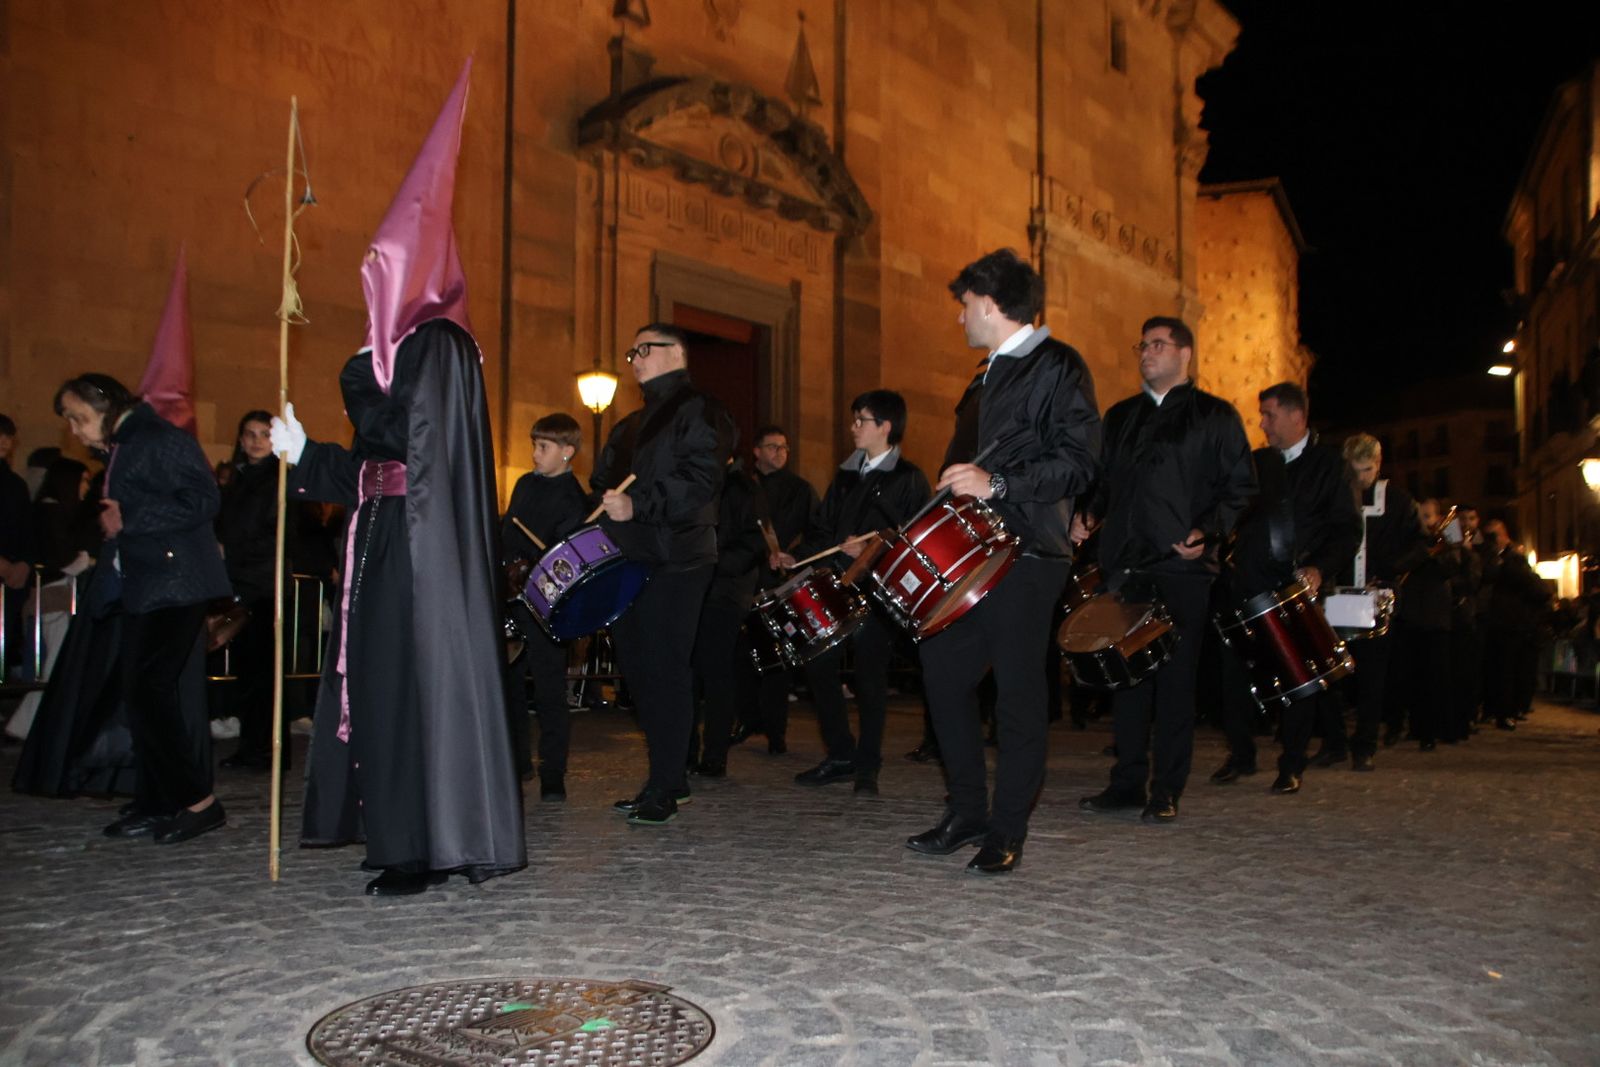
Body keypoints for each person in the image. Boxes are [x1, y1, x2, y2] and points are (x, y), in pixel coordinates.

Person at [271, 60, 525, 896]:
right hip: (385, 538)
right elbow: (381, 460)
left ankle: (422, 844)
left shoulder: (441, 347)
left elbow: (409, 448)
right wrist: (304, 451)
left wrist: (351, 388)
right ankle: (396, 829)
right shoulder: (402, 349)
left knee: (412, 686)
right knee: (377, 685)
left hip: (424, 554)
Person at [905, 248, 1101, 875]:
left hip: (1027, 550)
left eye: (964, 305)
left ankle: (1006, 829)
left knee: (1018, 691)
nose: (960, 317)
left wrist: (1000, 485)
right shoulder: (984, 375)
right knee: (941, 671)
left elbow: (1081, 460)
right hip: (969, 550)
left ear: (989, 304)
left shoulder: (1057, 365)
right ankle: (967, 811)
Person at [1073, 317, 1254, 821]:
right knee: (1126, 678)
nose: (1146, 353)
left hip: (1181, 568)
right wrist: (1087, 513)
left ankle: (1166, 788)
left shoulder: (1215, 416)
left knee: (1175, 681)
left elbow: (1240, 487)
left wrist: (1208, 531)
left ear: (1184, 354)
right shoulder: (1121, 416)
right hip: (1125, 566)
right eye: (1142, 345)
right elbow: (1102, 480)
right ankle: (1127, 782)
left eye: (1157, 344)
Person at [55, 374, 231, 842]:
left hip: (177, 584)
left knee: (149, 692)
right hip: (149, 584)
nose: (74, 429)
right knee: (140, 695)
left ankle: (199, 802)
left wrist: (129, 517)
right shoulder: (127, 443)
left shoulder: (158, 438)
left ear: (105, 404)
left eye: (79, 417)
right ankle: (159, 800)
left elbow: (203, 498)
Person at [591, 323, 736, 825]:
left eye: (643, 350)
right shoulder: (629, 424)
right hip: (630, 557)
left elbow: (700, 480)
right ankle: (668, 777)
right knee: (638, 669)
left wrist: (641, 504)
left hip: (680, 556)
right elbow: (604, 479)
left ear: (676, 353)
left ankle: (666, 784)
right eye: (631, 351)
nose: (634, 359)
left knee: (666, 667)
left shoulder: (700, 408)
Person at [771, 390, 931, 795]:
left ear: (886, 427)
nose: (853, 427)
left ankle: (868, 764)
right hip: (836, 585)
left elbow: (915, 540)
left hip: (877, 591)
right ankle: (841, 752)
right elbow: (824, 528)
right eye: (854, 419)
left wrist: (873, 551)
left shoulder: (908, 478)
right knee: (818, 665)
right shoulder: (844, 475)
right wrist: (797, 557)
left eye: (862, 420)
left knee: (869, 677)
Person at [1211, 382, 1362, 793]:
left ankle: (1291, 763)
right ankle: (1240, 755)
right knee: (1236, 675)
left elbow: (1347, 531)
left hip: (1294, 586)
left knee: (1299, 677)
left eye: (1270, 415)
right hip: (1245, 583)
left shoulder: (1329, 466)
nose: (1262, 424)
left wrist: (1319, 568)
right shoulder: (1255, 463)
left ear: (1298, 417)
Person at [1318, 433, 1428, 771]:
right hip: (1334, 597)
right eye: (1354, 471)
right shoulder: (1332, 497)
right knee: (1327, 674)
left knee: (1372, 677)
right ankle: (1333, 742)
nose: (1360, 478)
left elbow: (1419, 546)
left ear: (1378, 465)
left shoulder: (1398, 501)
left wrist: (1392, 571)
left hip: (1375, 599)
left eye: (1366, 471)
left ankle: (1364, 745)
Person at [502, 412, 589, 798]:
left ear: (567, 452)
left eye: (543, 446)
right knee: (507, 683)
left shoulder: (575, 500)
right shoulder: (523, 484)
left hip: (547, 604)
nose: (535, 453)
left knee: (550, 689)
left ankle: (553, 772)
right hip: (509, 597)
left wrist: (537, 566)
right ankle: (516, 762)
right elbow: (507, 533)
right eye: (534, 444)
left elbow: (567, 559)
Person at [734, 425, 818, 753]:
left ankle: (776, 731)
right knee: (738, 655)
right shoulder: (742, 485)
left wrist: (794, 556)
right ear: (756, 451)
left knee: (777, 658)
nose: (780, 453)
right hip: (743, 576)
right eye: (772, 447)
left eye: (784, 448)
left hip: (778, 581)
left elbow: (817, 530)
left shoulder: (800, 489)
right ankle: (746, 719)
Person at [215, 410, 283, 771]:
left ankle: (264, 749)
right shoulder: (238, 480)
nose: (256, 440)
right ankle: (254, 744)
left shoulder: (277, 478)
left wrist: (233, 550)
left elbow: (271, 532)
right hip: (240, 581)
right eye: (250, 434)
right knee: (248, 671)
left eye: (263, 434)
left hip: (262, 585)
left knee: (261, 674)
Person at [689, 454, 765, 778]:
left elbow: (752, 545)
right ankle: (687, 751)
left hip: (724, 593)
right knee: (689, 674)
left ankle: (715, 753)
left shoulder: (741, 489)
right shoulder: (702, 485)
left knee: (717, 674)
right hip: (696, 589)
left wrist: (711, 561)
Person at [1480, 517, 1549, 731]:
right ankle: (1494, 708)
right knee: (1495, 669)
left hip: (1510, 623)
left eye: (1495, 535)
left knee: (1508, 669)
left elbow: (1531, 586)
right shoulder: (1487, 556)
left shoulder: (1515, 559)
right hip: (1489, 620)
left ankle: (1507, 710)